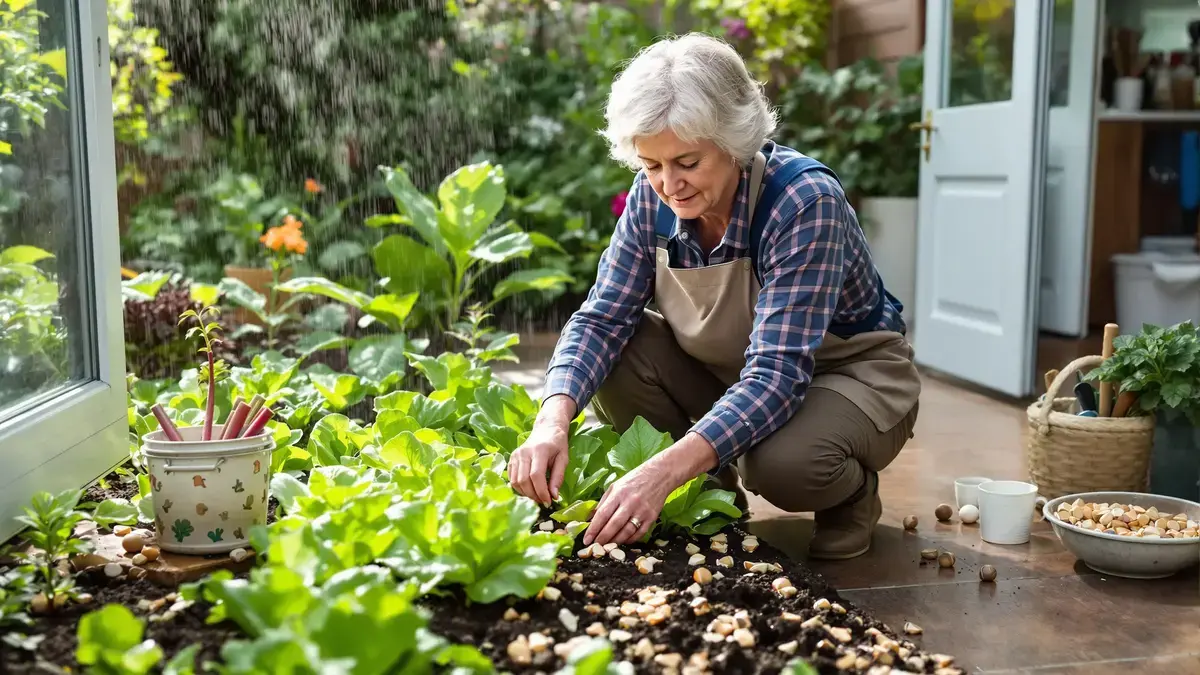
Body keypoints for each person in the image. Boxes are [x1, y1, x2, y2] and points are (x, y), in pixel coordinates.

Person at [507, 33, 921, 560]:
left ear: (734, 139)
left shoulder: (802, 201)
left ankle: (851, 496)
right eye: (651, 165)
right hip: (729, 370)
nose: (668, 184)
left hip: (839, 377)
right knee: (616, 350)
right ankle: (711, 494)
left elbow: (776, 375)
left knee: (783, 465)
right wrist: (551, 420)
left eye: (687, 162)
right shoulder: (649, 197)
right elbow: (600, 320)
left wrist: (659, 472)